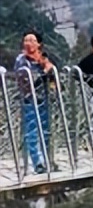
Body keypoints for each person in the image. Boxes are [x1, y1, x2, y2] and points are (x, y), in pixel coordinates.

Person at [14, 32, 56, 173]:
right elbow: (22, 77)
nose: (28, 43)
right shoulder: (22, 59)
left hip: (43, 99)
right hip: (29, 99)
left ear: (39, 44)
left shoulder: (43, 58)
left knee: (45, 130)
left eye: (32, 40)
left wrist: (48, 71)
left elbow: (52, 76)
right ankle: (37, 163)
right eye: (26, 40)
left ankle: (47, 160)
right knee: (31, 131)